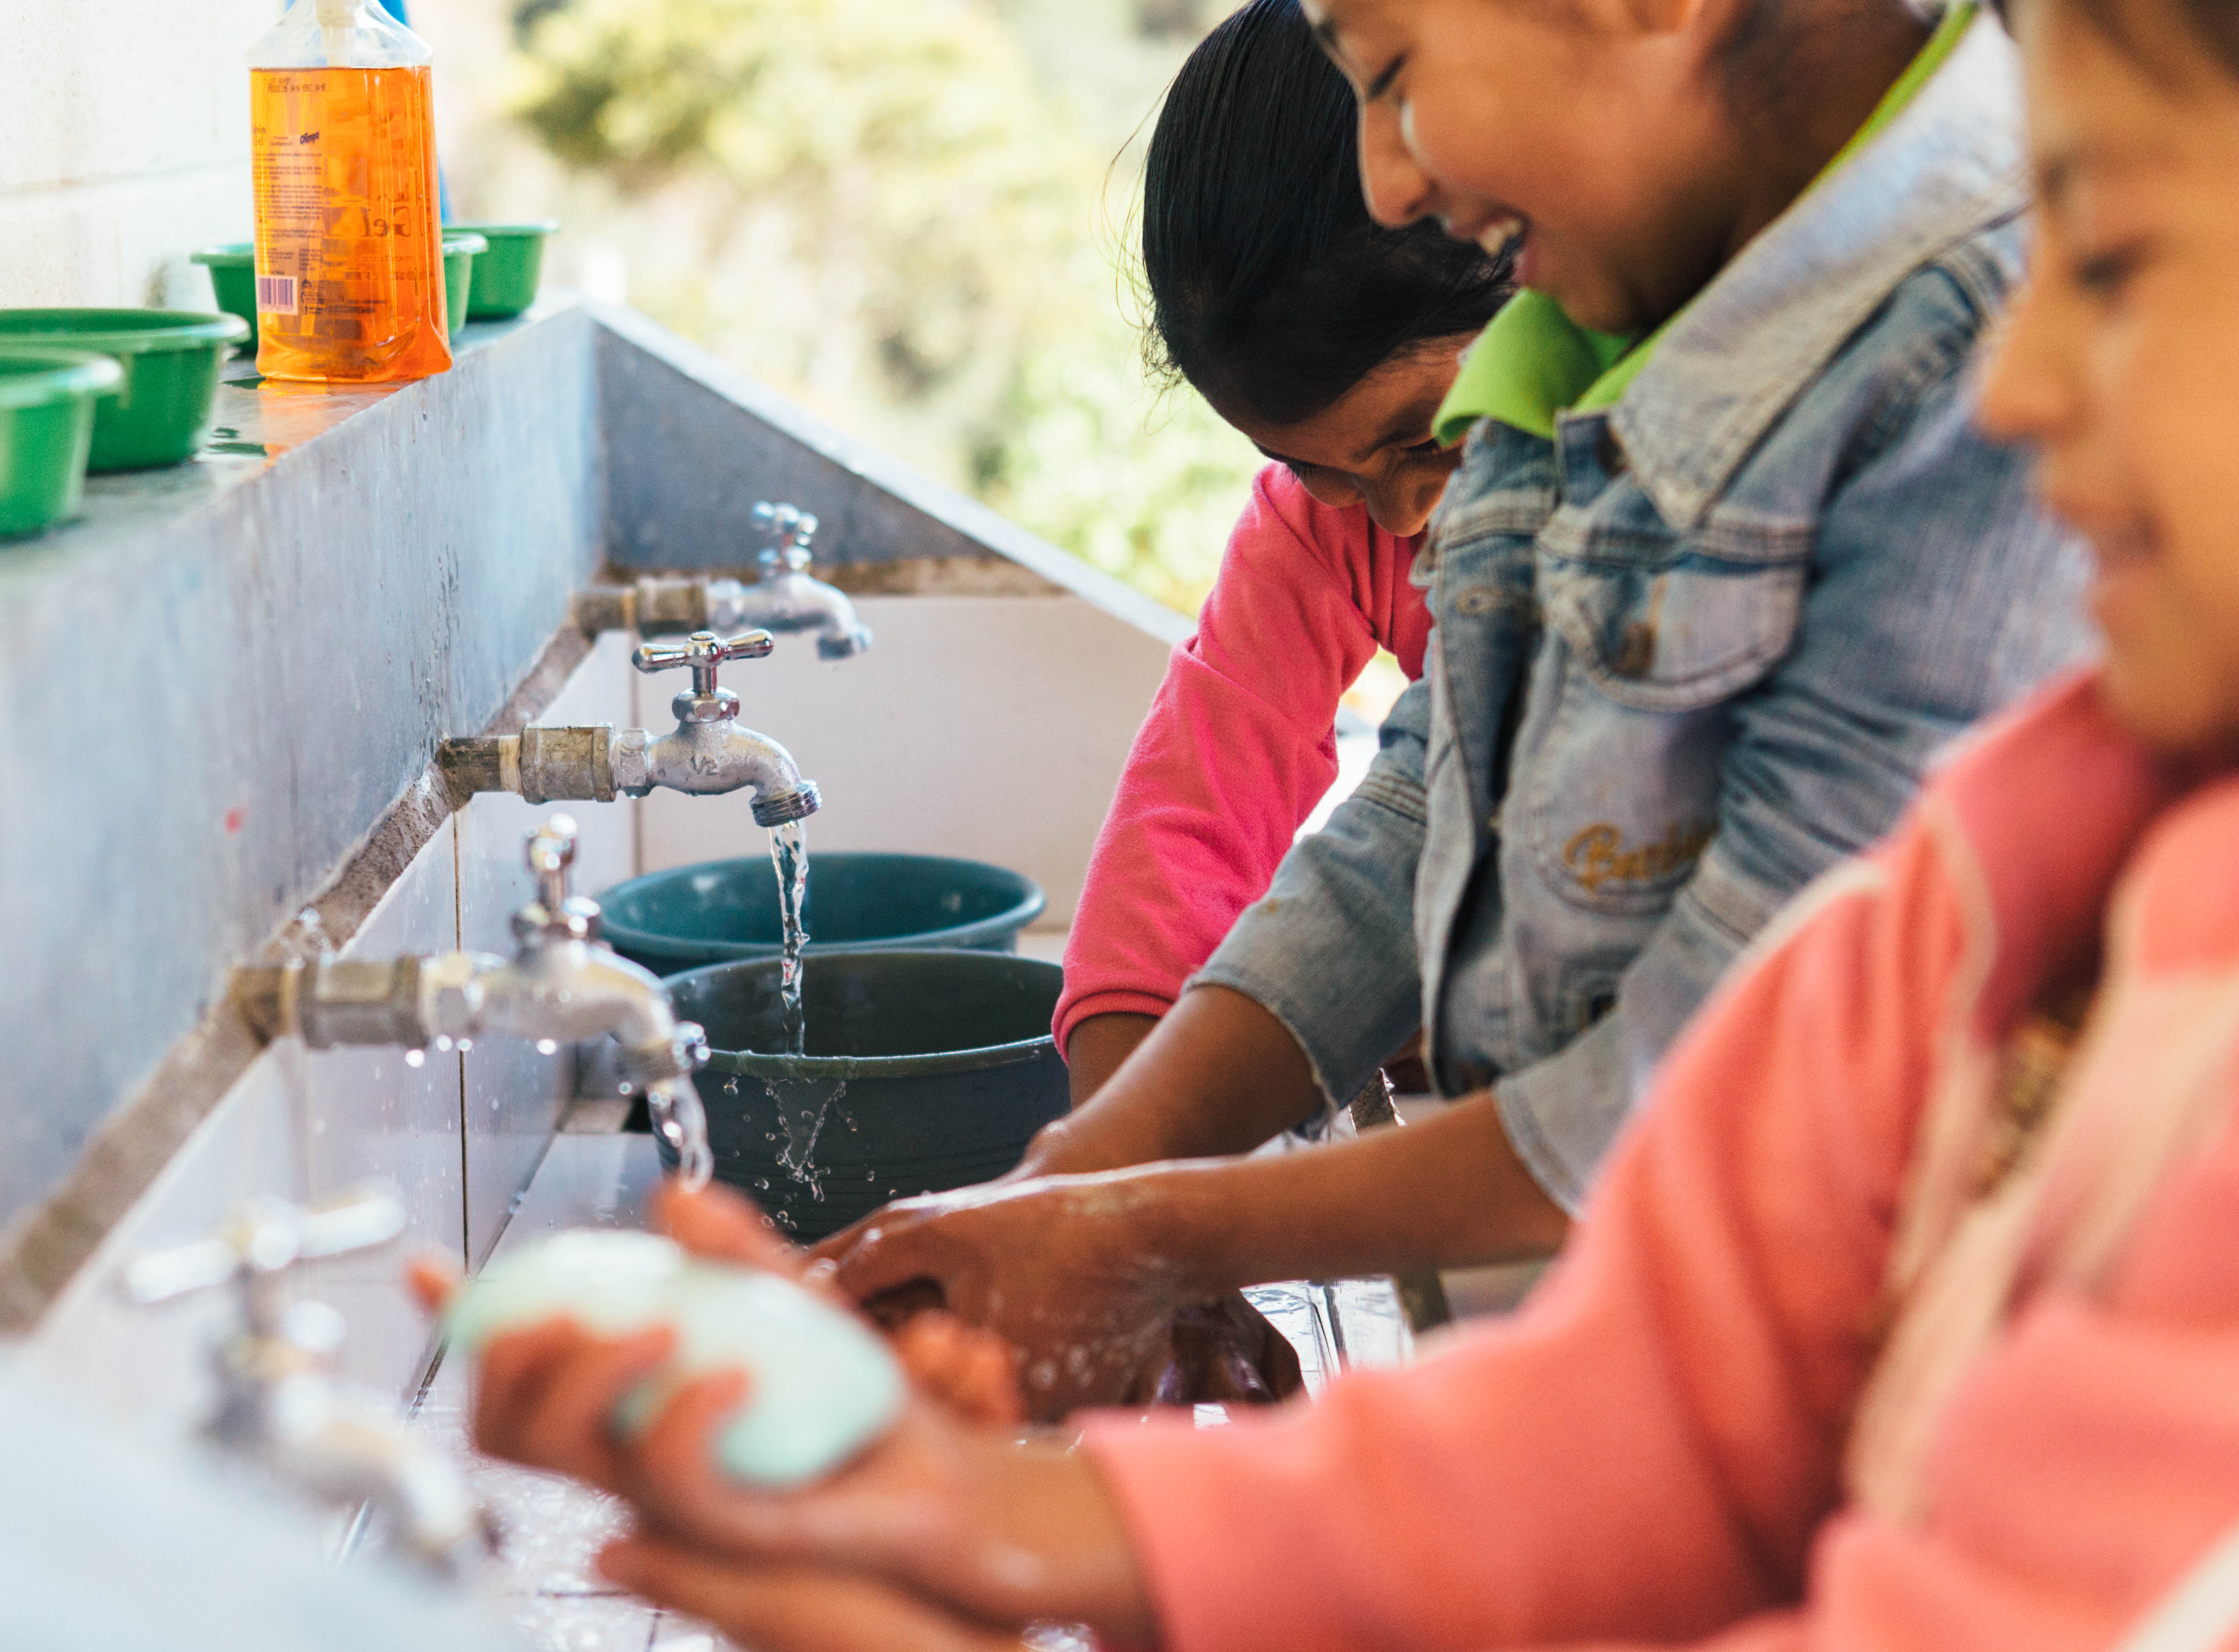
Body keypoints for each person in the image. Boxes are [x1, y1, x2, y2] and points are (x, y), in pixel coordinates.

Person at [438, 1, 2239, 1643]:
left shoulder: (1919, 409)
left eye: (2117, 258)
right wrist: (1066, 1298)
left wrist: (1157, 1246)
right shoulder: (1966, 875)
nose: (1393, 172)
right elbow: (1656, 1403)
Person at [812, 0, 2094, 1421]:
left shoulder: (1978, 350)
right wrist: (1091, 1173)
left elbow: (1726, 1076)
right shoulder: (1577, 332)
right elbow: (1430, 797)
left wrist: (1148, 1230)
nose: (1387, 183)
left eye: (1394, 76)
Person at [1053, 0, 1508, 1110]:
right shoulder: (1324, 527)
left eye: (1428, 436)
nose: (1393, 518)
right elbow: (1184, 829)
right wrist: (1106, 1199)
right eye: (1317, 467)